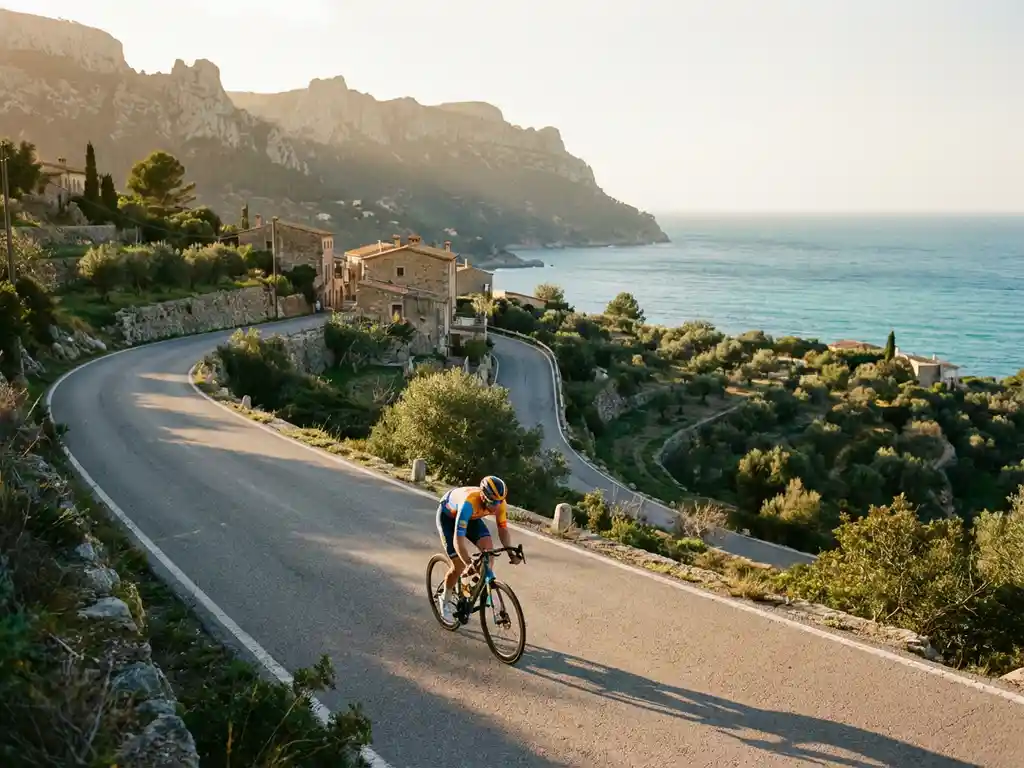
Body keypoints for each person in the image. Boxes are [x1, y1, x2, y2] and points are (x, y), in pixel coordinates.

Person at [435, 475, 522, 622]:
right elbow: (458, 540)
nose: (496, 506)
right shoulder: (468, 504)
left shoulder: (500, 503)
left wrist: (510, 553)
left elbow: (503, 530)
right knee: (459, 565)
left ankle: (472, 589)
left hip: (472, 518)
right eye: (493, 502)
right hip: (448, 518)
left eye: (500, 501)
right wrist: (468, 562)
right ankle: (444, 599)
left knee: (489, 554)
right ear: (483, 496)